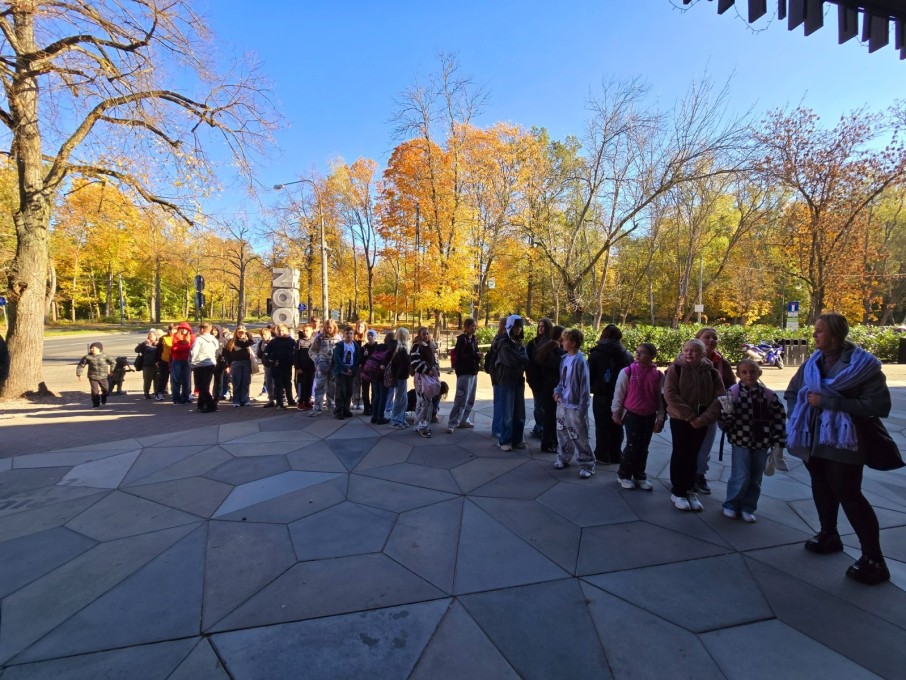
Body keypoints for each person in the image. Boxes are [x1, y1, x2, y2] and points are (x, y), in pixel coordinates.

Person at [785, 312, 892, 585]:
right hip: (812, 440)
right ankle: (828, 534)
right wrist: (799, 418)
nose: (814, 335)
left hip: (845, 442)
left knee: (849, 493)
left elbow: (879, 406)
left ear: (834, 334)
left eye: (819, 331)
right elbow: (792, 393)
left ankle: (873, 559)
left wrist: (830, 403)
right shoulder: (812, 363)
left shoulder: (863, 366)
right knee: (820, 485)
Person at [719, 358, 786, 522]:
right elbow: (725, 422)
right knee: (740, 474)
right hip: (740, 441)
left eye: (753, 371)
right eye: (744, 372)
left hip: (762, 442)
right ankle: (731, 504)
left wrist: (779, 443)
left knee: (756, 477)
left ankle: (748, 506)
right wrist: (727, 413)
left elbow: (779, 419)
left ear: (759, 372)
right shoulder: (733, 392)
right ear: (738, 374)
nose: (749, 375)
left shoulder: (769, 395)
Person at [663, 339, 725, 512]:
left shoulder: (712, 372)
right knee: (681, 454)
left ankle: (690, 488)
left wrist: (705, 418)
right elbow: (670, 394)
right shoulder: (676, 369)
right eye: (686, 350)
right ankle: (678, 491)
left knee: (694, 456)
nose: (689, 353)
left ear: (703, 354)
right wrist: (690, 416)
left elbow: (719, 396)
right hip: (681, 420)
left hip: (702, 421)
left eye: (694, 350)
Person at [612, 343, 665, 491]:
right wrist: (616, 411)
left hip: (649, 415)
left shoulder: (659, 375)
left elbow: (662, 399)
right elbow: (619, 392)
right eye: (638, 352)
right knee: (632, 445)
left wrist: (660, 419)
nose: (638, 355)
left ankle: (640, 475)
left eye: (643, 353)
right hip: (632, 414)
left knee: (644, 447)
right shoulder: (628, 371)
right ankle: (624, 474)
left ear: (652, 356)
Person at [692, 327, 738, 494]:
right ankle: (684, 476)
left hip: (711, 410)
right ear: (698, 340)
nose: (711, 340)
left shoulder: (721, 363)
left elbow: (732, 386)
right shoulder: (687, 358)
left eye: (714, 338)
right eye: (707, 337)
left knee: (705, 445)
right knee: (686, 446)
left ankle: (699, 474)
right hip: (688, 410)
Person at [587, 325, 633, 464]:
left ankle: (602, 454)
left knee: (602, 425)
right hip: (620, 395)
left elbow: (589, 375)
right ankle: (615, 454)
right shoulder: (626, 354)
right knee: (617, 425)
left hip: (602, 395)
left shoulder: (596, 353)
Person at [552, 328, 595, 478]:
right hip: (563, 404)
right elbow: (561, 380)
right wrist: (557, 391)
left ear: (573, 343)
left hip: (575, 406)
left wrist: (581, 409)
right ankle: (563, 457)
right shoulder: (564, 359)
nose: (562, 342)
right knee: (562, 432)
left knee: (579, 435)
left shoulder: (580, 361)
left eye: (565, 340)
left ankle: (587, 463)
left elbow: (584, 387)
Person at [491, 315, 529, 451]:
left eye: (520, 327)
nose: (518, 330)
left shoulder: (519, 342)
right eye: (516, 326)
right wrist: (521, 360)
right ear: (510, 327)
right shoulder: (503, 342)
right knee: (506, 414)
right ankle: (504, 440)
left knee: (519, 413)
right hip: (506, 380)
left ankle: (517, 439)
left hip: (518, 380)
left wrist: (520, 360)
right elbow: (510, 361)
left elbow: (526, 359)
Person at [446, 318, 482, 433]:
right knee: (461, 398)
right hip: (464, 373)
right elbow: (460, 356)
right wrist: (475, 354)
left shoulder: (474, 339)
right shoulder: (462, 339)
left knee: (470, 398)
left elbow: (473, 354)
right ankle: (452, 423)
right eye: (472, 326)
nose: (474, 328)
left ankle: (463, 420)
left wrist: (478, 356)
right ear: (466, 327)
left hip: (473, 372)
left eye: (475, 326)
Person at [535, 325, 565, 453]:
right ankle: (549, 443)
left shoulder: (546, 348)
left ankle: (549, 442)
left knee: (549, 416)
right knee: (551, 417)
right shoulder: (556, 352)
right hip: (552, 388)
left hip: (546, 388)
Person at [525, 318, 553, 440]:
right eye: (539, 326)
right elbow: (527, 361)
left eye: (543, 326)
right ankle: (539, 427)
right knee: (538, 406)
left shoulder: (552, 343)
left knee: (545, 406)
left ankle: (542, 428)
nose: (540, 329)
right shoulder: (533, 343)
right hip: (536, 380)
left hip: (548, 380)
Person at [410, 326, 439, 437]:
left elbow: (434, 361)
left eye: (427, 333)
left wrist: (435, 370)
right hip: (421, 377)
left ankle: (419, 424)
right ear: (419, 335)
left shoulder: (430, 346)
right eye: (423, 334)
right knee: (424, 402)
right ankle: (421, 427)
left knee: (426, 401)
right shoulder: (417, 347)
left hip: (429, 377)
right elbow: (415, 363)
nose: (426, 336)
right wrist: (427, 371)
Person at [310, 319, 341, 417]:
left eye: (331, 327)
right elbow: (312, 351)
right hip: (322, 365)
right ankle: (317, 407)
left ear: (334, 327)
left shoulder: (338, 338)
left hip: (334, 365)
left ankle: (331, 405)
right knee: (319, 386)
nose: (329, 329)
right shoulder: (320, 337)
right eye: (327, 327)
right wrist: (317, 359)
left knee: (332, 386)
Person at [265, 323, 297, 409]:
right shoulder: (273, 342)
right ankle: (279, 403)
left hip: (287, 365)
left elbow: (295, 353)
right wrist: (270, 361)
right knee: (278, 385)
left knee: (288, 384)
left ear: (287, 331)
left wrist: (293, 361)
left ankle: (290, 400)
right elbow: (266, 353)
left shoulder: (291, 341)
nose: (281, 332)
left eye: (283, 331)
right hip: (276, 366)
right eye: (279, 331)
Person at [332, 326, 362, 419]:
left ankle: (346, 409)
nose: (349, 335)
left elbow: (358, 358)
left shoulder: (355, 345)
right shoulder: (340, 345)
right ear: (343, 334)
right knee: (340, 392)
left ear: (353, 335)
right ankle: (338, 411)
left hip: (351, 372)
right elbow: (337, 359)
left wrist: (352, 369)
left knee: (349, 391)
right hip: (341, 372)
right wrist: (345, 368)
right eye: (347, 333)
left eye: (350, 333)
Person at [190, 322, 219, 413]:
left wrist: (192, 362)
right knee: (205, 385)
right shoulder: (214, 339)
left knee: (201, 386)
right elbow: (216, 348)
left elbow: (194, 352)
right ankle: (201, 404)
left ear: (202, 329)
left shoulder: (199, 339)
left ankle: (211, 405)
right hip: (210, 363)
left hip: (200, 364)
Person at [76, 341, 115, 408]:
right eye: (91, 348)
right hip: (92, 376)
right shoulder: (87, 357)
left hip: (103, 376)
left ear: (99, 349)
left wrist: (112, 371)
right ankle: (96, 404)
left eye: (94, 348)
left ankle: (103, 398)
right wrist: (79, 374)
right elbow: (81, 365)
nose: (92, 349)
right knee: (95, 391)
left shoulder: (105, 356)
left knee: (106, 389)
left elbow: (113, 362)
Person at [387, 327, 411, 429]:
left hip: (402, 376)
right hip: (400, 376)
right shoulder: (401, 349)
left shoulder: (401, 348)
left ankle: (400, 418)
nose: (409, 336)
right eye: (407, 335)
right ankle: (395, 420)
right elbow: (404, 364)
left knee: (403, 398)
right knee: (400, 399)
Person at [224, 326, 254, 407]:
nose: (240, 334)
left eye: (242, 332)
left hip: (246, 362)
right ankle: (236, 400)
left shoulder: (246, 341)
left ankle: (245, 399)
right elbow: (226, 354)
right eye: (239, 332)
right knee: (236, 382)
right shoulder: (231, 342)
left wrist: (247, 334)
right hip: (235, 363)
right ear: (236, 333)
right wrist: (227, 365)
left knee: (245, 382)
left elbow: (252, 341)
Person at [169, 322, 194, 404]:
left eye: (185, 329)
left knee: (186, 380)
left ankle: (185, 397)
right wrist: (185, 346)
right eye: (181, 329)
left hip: (187, 361)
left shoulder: (192, 337)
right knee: (176, 380)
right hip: (177, 360)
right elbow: (174, 348)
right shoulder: (175, 336)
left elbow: (191, 348)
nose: (183, 330)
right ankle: (176, 398)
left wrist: (180, 346)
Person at [294, 325, 316, 410]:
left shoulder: (315, 341)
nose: (305, 332)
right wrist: (297, 367)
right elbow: (296, 355)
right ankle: (301, 401)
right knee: (302, 384)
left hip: (312, 367)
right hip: (302, 368)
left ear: (311, 331)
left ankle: (307, 400)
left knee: (310, 384)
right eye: (304, 331)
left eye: (307, 330)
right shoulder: (299, 342)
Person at [135, 330, 159, 399]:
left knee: (157, 380)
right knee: (147, 381)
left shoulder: (158, 344)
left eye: (153, 335)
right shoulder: (145, 345)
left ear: (156, 336)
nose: (151, 336)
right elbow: (136, 350)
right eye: (149, 335)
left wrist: (158, 344)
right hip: (147, 366)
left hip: (157, 365)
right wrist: (143, 343)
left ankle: (157, 393)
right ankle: (146, 393)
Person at [360, 329, 379, 416]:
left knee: (374, 391)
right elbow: (361, 361)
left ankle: (374, 407)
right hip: (365, 372)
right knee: (365, 391)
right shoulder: (363, 348)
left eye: (372, 335)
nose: (370, 337)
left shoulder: (378, 348)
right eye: (368, 335)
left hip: (375, 372)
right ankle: (366, 408)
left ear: (375, 337)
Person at [154, 324, 175, 401]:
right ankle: (159, 393)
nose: (172, 331)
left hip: (175, 360)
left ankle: (175, 393)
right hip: (164, 360)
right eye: (171, 329)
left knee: (175, 378)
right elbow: (159, 350)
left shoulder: (178, 338)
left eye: (174, 329)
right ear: (168, 330)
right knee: (163, 378)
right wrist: (157, 360)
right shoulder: (163, 338)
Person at [352, 320, 368, 410]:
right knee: (355, 383)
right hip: (355, 364)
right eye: (358, 326)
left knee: (364, 384)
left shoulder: (367, 339)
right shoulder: (353, 338)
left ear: (365, 328)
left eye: (361, 326)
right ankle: (355, 400)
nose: (359, 328)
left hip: (365, 365)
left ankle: (362, 401)